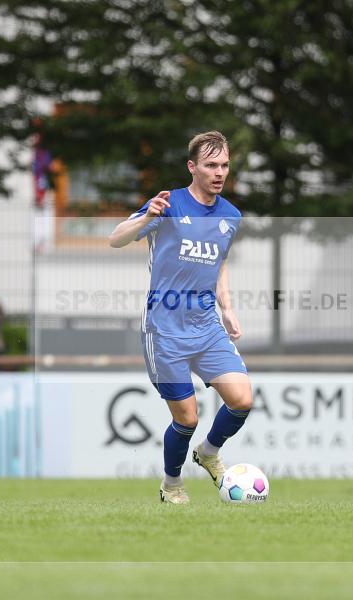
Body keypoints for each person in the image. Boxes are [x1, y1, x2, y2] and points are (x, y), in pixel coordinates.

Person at [109, 131, 253, 504]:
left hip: (206, 326)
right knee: (187, 418)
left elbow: (219, 264)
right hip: (164, 330)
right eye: (211, 165)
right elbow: (116, 238)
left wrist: (227, 308)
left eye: (224, 165)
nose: (219, 173)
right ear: (192, 167)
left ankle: (208, 452)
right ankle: (172, 483)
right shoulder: (169, 203)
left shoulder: (230, 215)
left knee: (242, 399)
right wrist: (146, 217)